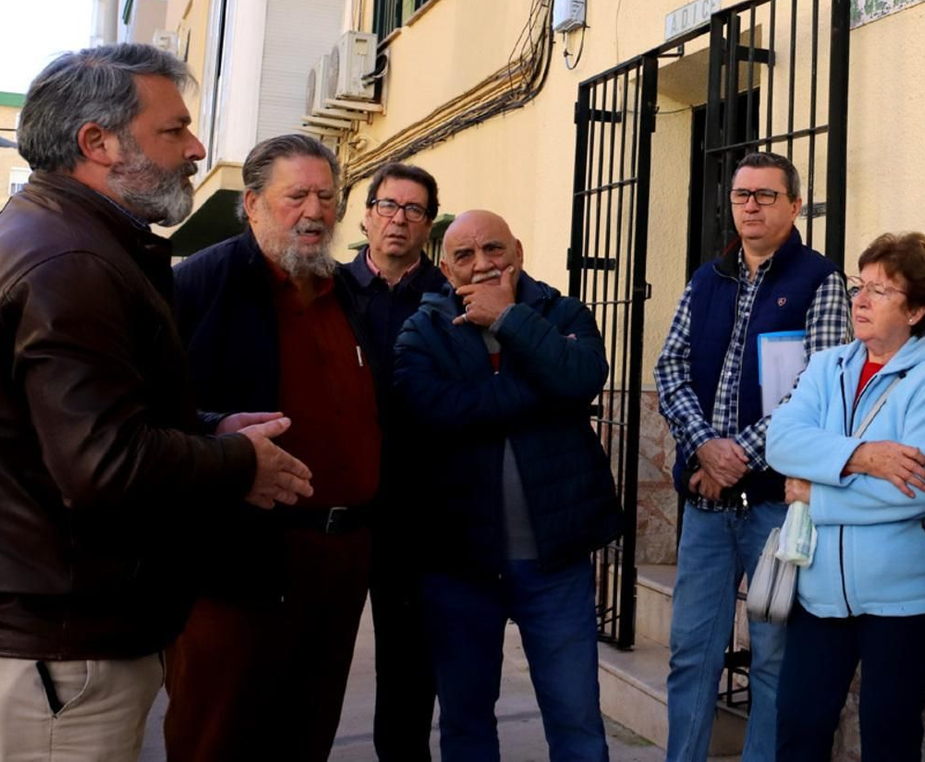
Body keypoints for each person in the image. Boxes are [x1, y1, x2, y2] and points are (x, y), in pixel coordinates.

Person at [0, 45, 311, 762]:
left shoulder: (67, 242)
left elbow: (70, 425)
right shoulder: (69, 261)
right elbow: (102, 465)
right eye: (175, 130)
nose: (197, 149)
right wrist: (234, 462)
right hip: (62, 660)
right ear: (96, 142)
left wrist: (209, 426)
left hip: (63, 644)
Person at [164, 133, 383, 762]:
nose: (314, 211)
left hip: (339, 562)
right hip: (237, 559)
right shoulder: (199, 287)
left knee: (306, 736)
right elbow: (145, 406)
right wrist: (217, 433)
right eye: (296, 197)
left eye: (326, 196)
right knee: (218, 736)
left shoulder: (347, 293)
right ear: (253, 204)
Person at [394, 209, 622, 762]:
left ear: (517, 250)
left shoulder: (563, 312)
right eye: (465, 257)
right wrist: (540, 394)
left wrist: (511, 319)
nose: (482, 265)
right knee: (467, 725)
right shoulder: (421, 330)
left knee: (576, 721)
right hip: (460, 563)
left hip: (555, 561)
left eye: (493, 249)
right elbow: (431, 414)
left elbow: (583, 376)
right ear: (446, 269)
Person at [656, 152, 852, 762]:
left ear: (795, 205)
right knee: (691, 654)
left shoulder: (820, 282)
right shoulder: (706, 279)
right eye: (743, 195)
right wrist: (704, 449)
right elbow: (671, 369)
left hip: (773, 510)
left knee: (773, 660)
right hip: (709, 509)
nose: (751, 206)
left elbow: (816, 389)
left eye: (767, 196)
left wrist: (734, 454)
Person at [766, 232, 925, 762]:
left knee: (888, 736)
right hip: (819, 590)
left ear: (916, 309)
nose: (861, 300)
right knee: (799, 727)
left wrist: (814, 493)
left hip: (904, 598)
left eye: (881, 290)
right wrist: (863, 457)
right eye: (860, 285)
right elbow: (781, 441)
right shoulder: (829, 367)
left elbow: (917, 490)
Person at [345, 162, 449, 762]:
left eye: (413, 210)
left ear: (427, 224)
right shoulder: (326, 290)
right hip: (337, 504)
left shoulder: (445, 296)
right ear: (366, 215)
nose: (398, 219)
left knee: (410, 668)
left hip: (416, 509)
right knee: (310, 658)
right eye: (387, 205)